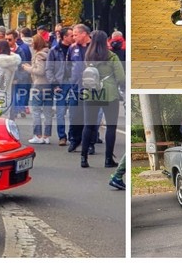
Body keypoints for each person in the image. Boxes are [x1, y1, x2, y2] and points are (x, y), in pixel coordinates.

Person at [79, 30, 124, 169]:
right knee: (111, 127)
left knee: (88, 125)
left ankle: (83, 158)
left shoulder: (88, 55)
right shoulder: (111, 57)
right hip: (109, 94)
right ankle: (108, 159)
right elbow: (121, 77)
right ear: (106, 41)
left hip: (91, 93)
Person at [65, 24, 91, 153]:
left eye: (75, 35)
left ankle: (90, 143)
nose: (73, 37)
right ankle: (74, 140)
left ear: (84, 34)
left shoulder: (94, 48)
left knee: (89, 117)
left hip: (90, 88)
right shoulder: (72, 48)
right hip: (75, 87)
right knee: (74, 116)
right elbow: (68, 65)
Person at [47, 27, 74, 145]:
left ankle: (73, 136)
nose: (73, 37)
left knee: (75, 111)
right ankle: (62, 136)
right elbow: (49, 68)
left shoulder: (75, 49)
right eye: (71, 36)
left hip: (74, 82)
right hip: (60, 83)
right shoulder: (54, 50)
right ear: (64, 37)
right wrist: (54, 84)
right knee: (60, 111)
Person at [24, 34, 53, 144]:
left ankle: (38, 135)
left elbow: (40, 71)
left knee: (36, 111)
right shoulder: (49, 53)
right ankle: (46, 136)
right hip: (49, 85)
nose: (31, 44)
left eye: (32, 42)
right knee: (47, 112)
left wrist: (28, 68)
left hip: (39, 85)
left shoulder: (39, 55)